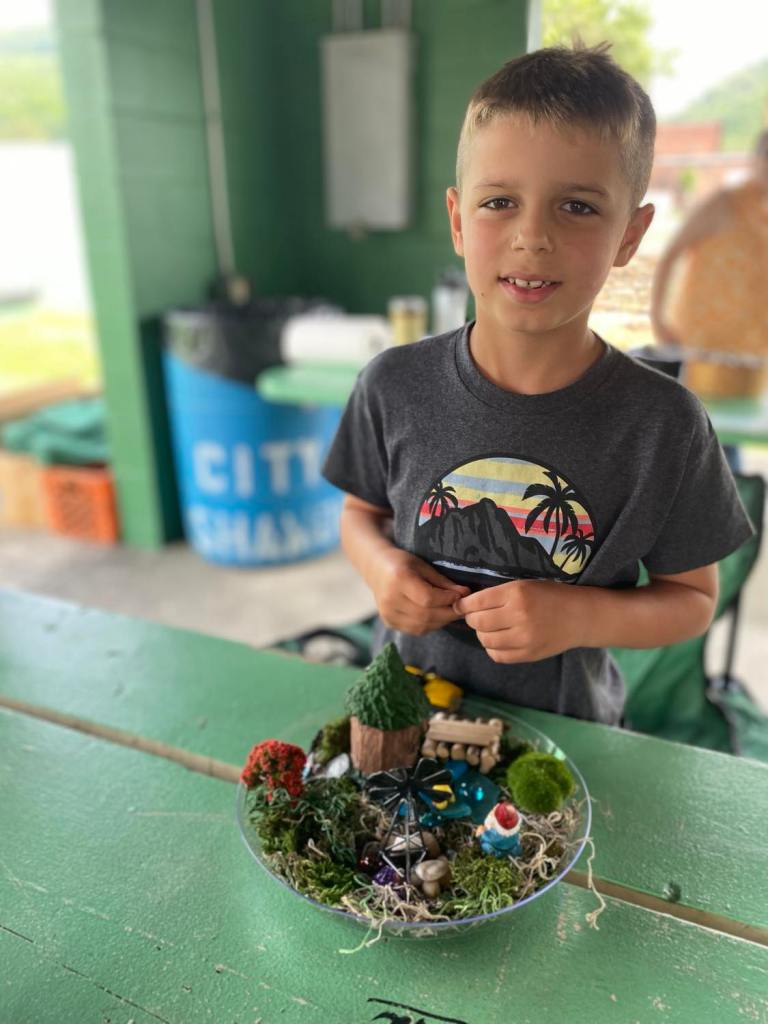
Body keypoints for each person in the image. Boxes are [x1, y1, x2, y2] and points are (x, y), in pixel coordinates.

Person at [322, 45, 754, 725]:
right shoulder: (391, 384)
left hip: (571, 741)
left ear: (630, 235)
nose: (532, 236)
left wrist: (578, 615)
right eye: (499, 201)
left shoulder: (664, 425)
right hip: (406, 720)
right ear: (458, 220)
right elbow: (359, 514)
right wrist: (382, 569)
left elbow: (693, 600)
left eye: (577, 207)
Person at [651, 129, 768, 401]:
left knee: (741, 419)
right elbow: (671, 254)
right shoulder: (724, 203)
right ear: (756, 160)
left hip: (755, 352)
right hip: (705, 348)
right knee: (700, 418)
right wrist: (659, 318)